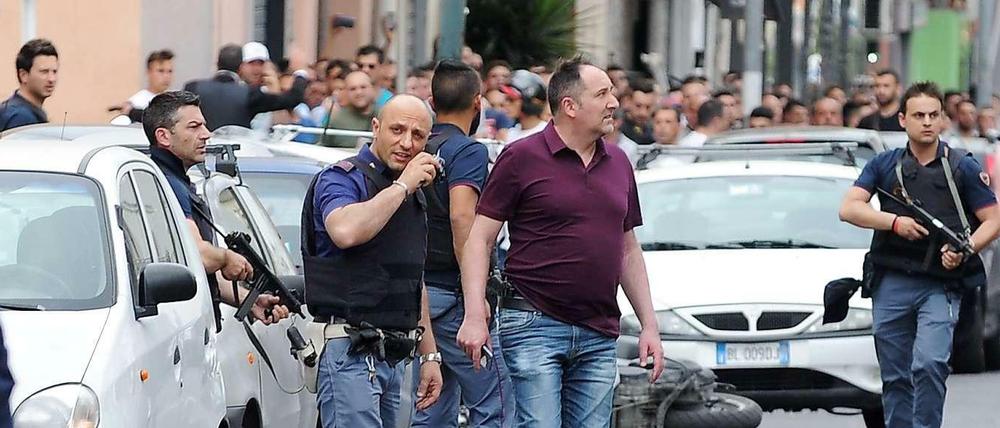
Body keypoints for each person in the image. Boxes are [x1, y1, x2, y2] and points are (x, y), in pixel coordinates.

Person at [456, 57, 664, 428]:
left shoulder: (618, 162)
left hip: (599, 330)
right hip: (533, 323)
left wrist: (649, 324)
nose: (614, 102)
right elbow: (480, 238)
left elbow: (628, 249)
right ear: (570, 106)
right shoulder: (521, 157)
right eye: (602, 94)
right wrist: (474, 314)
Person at [838, 81, 1000, 428]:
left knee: (929, 365)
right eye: (918, 115)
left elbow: (993, 220)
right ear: (902, 120)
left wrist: (964, 248)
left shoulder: (962, 168)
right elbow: (850, 208)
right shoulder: (884, 164)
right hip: (892, 278)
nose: (927, 122)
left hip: (939, 283)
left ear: (942, 120)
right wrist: (895, 222)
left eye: (933, 115)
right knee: (895, 375)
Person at [302, 94, 444, 427]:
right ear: (375, 128)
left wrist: (430, 355)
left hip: (396, 353)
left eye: (418, 135)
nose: (406, 143)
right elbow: (346, 231)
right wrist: (403, 186)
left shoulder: (412, 192)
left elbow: (412, 278)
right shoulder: (342, 178)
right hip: (350, 348)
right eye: (397, 130)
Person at [409, 59, 512, 428]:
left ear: (432, 103)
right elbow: (462, 217)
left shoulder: (415, 149)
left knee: (431, 406)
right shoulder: (467, 151)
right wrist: (476, 296)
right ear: (478, 104)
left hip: (417, 296)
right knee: (497, 403)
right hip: (452, 299)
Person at [143, 91, 290, 330]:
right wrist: (226, 257)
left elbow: (201, 273)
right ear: (164, 136)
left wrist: (250, 301)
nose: (206, 134)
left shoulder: (173, 181)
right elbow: (196, 255)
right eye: (194, 127)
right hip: (175, 332)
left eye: (204, 125)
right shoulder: (167, 183)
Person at [184, 44, 307, 130]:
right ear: (241, 66)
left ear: (217, 64)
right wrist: (300, 72)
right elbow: (293, 98)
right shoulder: (249, 94)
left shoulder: (193, 88)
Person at [1, 39, 58, 132]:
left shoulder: (18, 111)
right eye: (44, 72)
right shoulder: (20, 118)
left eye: (54, 72)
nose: (51, 79)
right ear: (23, 75)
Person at [320, 71, 377, 148]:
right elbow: (321, 148)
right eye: (353, 89)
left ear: (372, 88)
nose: (358, 92)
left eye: (363, 87)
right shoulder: (337, 120)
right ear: (346, 92)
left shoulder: (384, 116)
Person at [114, 49, 174, 123]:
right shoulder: (137, 102)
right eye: (160, 71)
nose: (166, 76)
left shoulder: (173, 100)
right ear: (149, 72)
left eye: (169, 71)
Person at [505, 70, 549, 143]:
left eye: (511, 100)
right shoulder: (511, 133)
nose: (505, 104)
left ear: (529, 103)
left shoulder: (546, 133)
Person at [355, 45, 393, 110]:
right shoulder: (347, 97)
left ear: (382, 68)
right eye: (360, 66)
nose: (365, 70)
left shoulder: (390, 101)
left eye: (371, 66)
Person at [621, 79, 656, 145]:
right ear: (627, 102)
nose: (643, 113)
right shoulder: (617, 130)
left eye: (648, 107)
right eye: (638, 106)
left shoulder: (654, 132)